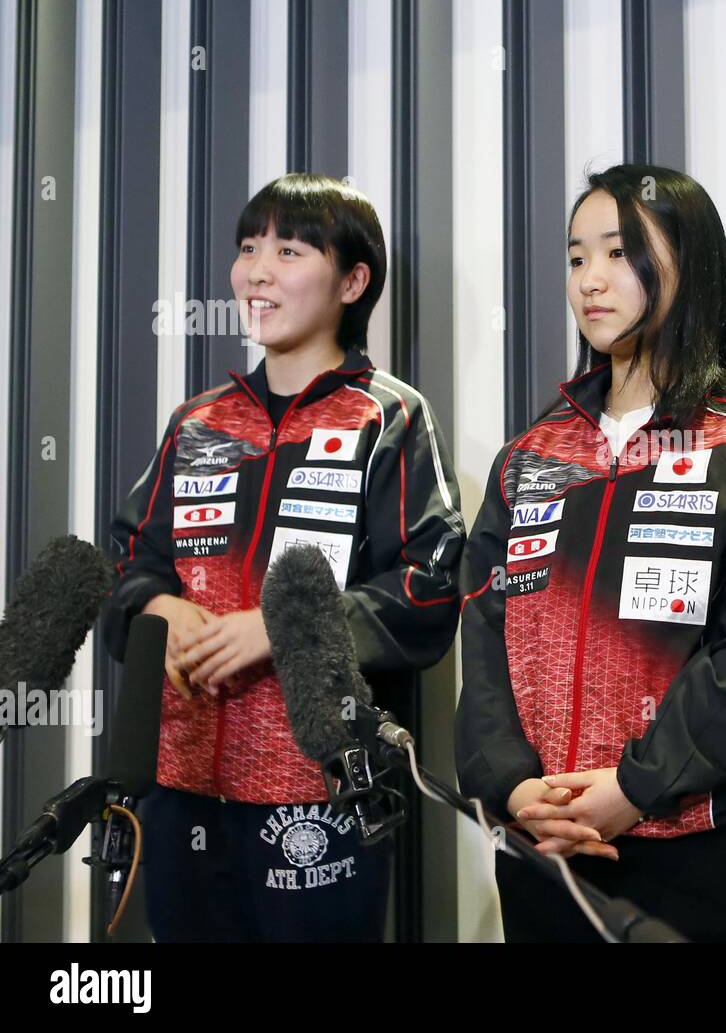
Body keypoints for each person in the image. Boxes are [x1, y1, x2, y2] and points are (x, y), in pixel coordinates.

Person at [456, 163, 726, 942]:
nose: (591, 279)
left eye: (620, 252)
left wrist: (635, 785)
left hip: (694, 847)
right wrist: (514, 787)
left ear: (687, 263)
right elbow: (485, 639)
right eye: (576, 256)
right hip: (543, 844)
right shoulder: (529, 455)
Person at [104, 173, 464, 942]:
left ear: (353, 280)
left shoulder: (390, 416)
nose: (255, 272)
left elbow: (429, 587)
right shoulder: (195, 421)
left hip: (322, 794)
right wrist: (155, 606)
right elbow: (128, 565)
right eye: (247, 248)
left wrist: (281, 627)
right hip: (181, 789)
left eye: (288, 250)